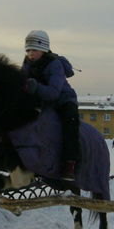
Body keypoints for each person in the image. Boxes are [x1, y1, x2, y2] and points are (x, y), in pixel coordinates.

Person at [21, 30, 80, 181]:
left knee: (69, 123)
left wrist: (35, 87)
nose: (30, 54)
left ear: (44, 49)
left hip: (63, 100)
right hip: (42, 101)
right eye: (28, 50)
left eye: (34, 49)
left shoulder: (55, 64)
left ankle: (70, 163)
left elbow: (54, 93)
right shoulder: (27, 64)